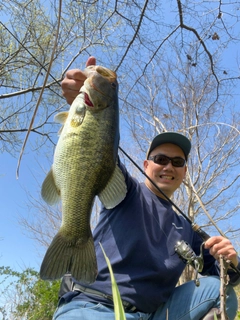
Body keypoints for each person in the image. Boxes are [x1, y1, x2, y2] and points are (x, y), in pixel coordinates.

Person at [53, 56, 240, 320]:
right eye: (160, 159)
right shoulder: (126, 191)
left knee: (215, 291)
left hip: (156, 315)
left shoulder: (187, 228)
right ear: (146, 165)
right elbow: (101, 152)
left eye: (177, 162)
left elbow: (226, 278)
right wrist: (84, 97)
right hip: (93, 307)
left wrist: (232, 260)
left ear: (184, 172)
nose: (168, 167)